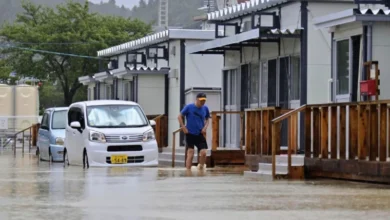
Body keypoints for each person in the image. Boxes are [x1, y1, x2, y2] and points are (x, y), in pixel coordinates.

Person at [178, 92, 210, 170]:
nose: (203, 102)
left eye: (204, 100)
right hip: (190, 133)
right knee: (190, 153)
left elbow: (207, 119)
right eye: (201, 100)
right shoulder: (189, 107)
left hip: (200, 133)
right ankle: (188, 171)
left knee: (203, 152)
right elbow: (179, 116)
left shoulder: (205, 108)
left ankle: (201, 168)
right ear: (197, 99)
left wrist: (205, 127)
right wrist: (183, 127)